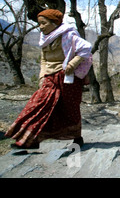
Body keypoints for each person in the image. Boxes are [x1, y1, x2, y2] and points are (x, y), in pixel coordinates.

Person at [5, 9, 92, 150]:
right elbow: (44, 60)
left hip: (67, 78)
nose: (41, 26)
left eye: (44, 23)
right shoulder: (44, 38)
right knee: (38, 106)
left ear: (54, 23)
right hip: (50, 78)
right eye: (40, 24)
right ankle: (29, 139)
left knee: (69, 108)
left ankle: (77, 138)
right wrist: (41, 77)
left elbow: (86, 48)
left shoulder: (68, 35)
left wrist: (73, 63)